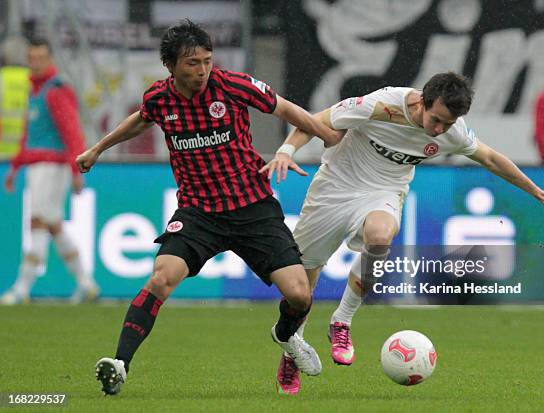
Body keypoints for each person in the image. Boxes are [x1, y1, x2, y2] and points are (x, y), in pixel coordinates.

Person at [262, 72, 544, 394]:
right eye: (437, 120)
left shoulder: (451, 131)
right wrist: (287, 150)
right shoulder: (381, 104)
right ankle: (292, 348)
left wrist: (537, 192)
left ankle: (342, 321)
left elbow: (490, 158)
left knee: (380, 236)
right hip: (335, 188)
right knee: (302, 288)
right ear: (421, 102)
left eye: (449, 123)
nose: (441, 130)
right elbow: (314, 120)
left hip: (384, 191)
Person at [75, 20, 341, 396]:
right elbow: (141, 119)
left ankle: (285, 337)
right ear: (170, 65)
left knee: (300, 295)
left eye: (206, 61)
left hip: (252, 207)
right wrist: (97, 149)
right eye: (191, 64)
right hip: (199, 213)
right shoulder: (160, 97)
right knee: (161, 278)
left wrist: (327, 135)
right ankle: (120, 364)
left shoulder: (232, 85)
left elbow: (284, 108)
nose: (201, 71)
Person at [1, 38, 99, 305]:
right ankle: (86, 283)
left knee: (37, 222)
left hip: (51, 166)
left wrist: (77, 168)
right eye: (31, 58)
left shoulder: (56, 90)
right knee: (54, 225)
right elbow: (28, 134)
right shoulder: (36, 91)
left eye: (40, 57)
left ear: (51, 58)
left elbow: (71, 131)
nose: (35, 63)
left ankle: (22, 288)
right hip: (37, 165)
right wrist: (15, 166)